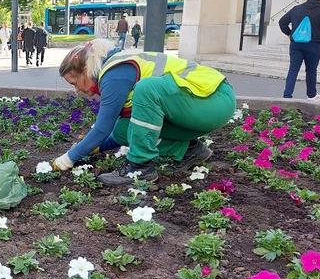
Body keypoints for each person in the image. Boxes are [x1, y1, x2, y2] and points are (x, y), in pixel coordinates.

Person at [51, 39, 235, 186]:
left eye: (74, 82)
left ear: (85, 70)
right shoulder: (115, 68)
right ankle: (189, 149)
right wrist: (92, 148)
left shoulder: (114, 75)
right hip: (199, 106)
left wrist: (68, 158)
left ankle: (140, 167)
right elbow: (115, 133)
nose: (77, 90)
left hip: (214, 99)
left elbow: (102, 128)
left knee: (147, 89)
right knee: (124, 128)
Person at [279, 0, 320, 101]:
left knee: (293, 69)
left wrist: (290, 35)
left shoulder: (296, 9)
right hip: (313, 45)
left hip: (296, 44)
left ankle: (287, 96)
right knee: (311, 70)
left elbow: (282, 22)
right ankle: (312, 95)